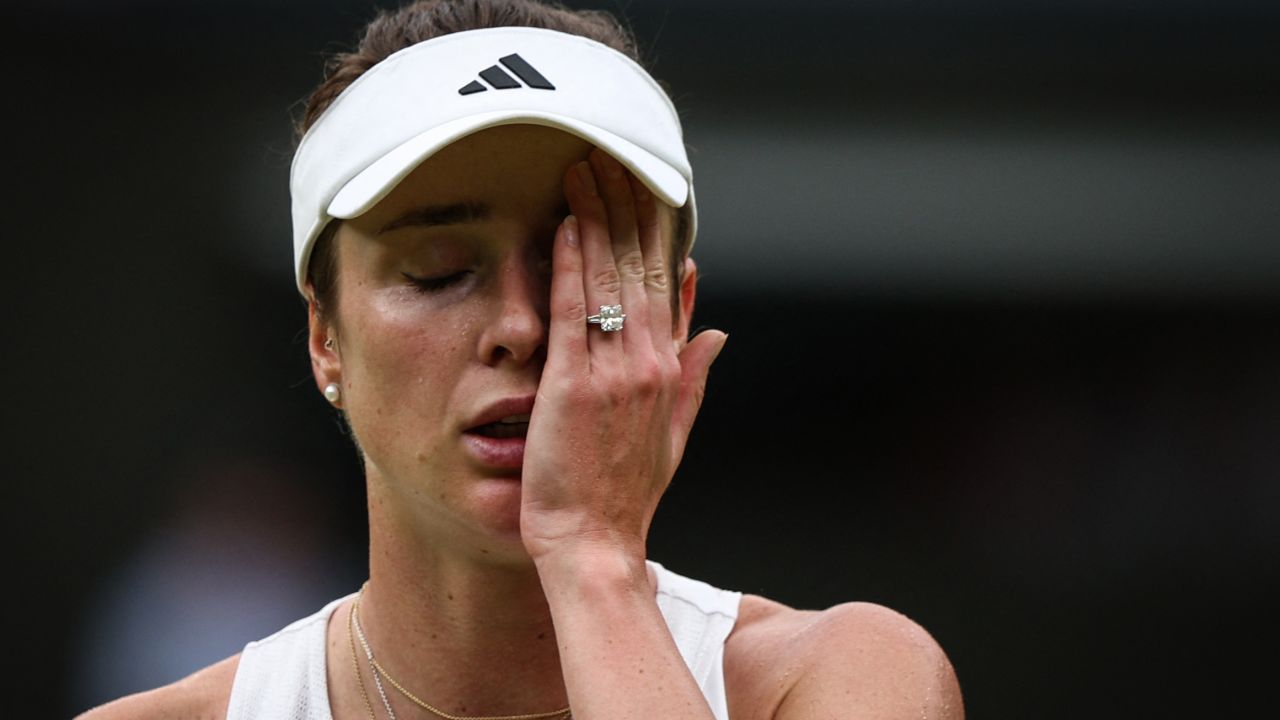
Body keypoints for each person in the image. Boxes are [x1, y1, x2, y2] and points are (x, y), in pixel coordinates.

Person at [77, 1, 964, 718]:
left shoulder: (850, 679)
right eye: (438, 272)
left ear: (675, 313)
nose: (520, 327)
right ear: (325, 338)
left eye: (581, 270)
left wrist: (592, 558)